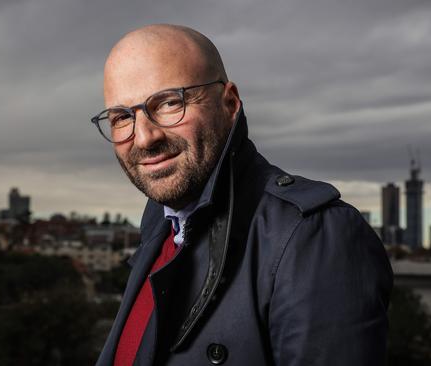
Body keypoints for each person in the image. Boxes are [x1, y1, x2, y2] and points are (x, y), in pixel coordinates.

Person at [92, 24, 393, 366]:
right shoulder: (158, 234)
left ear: (230, 103)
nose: (144, 137)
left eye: (168, 103)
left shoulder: (314, 236)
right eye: (121, 117)